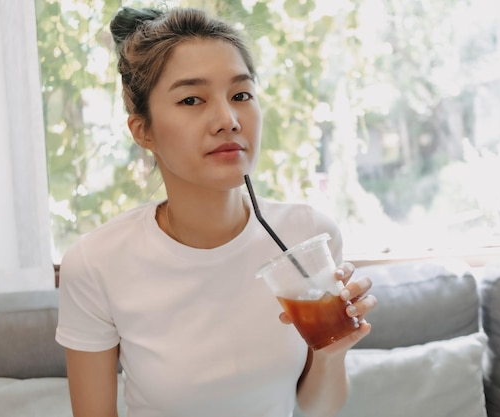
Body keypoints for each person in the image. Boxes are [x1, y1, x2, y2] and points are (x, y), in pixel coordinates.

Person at [55, 5, 377, 417]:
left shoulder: (307, 233)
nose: (227, 120)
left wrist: (333, 351)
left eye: (241, 95)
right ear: (143, 130)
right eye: (192, 99)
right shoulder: (96, 263)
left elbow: (318, 407)